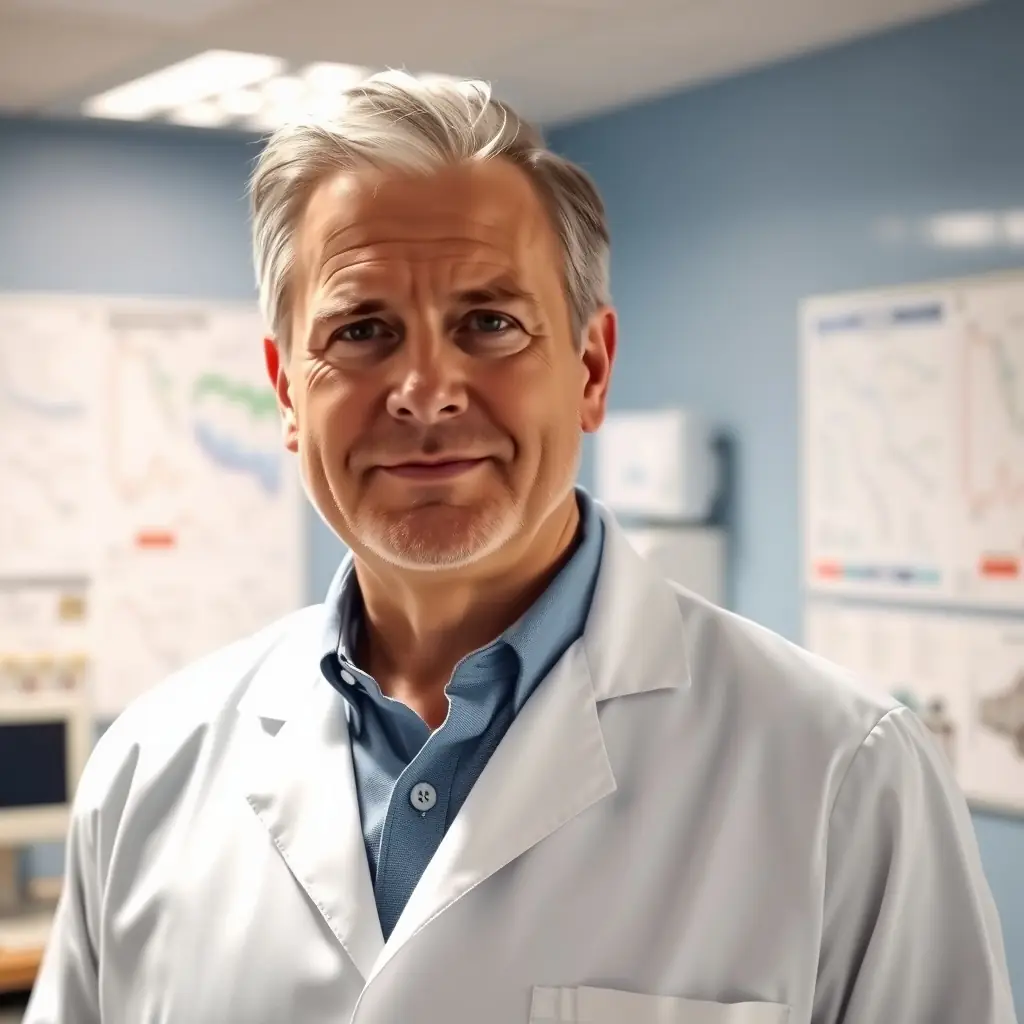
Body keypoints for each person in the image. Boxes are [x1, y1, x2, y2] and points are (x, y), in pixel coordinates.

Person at [26, 72, 1016, 1024]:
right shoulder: (151, 768)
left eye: (489, 323)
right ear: (286, 389)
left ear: (590, 370)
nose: (425, 387)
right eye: (363, 328)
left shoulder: (839, 771)